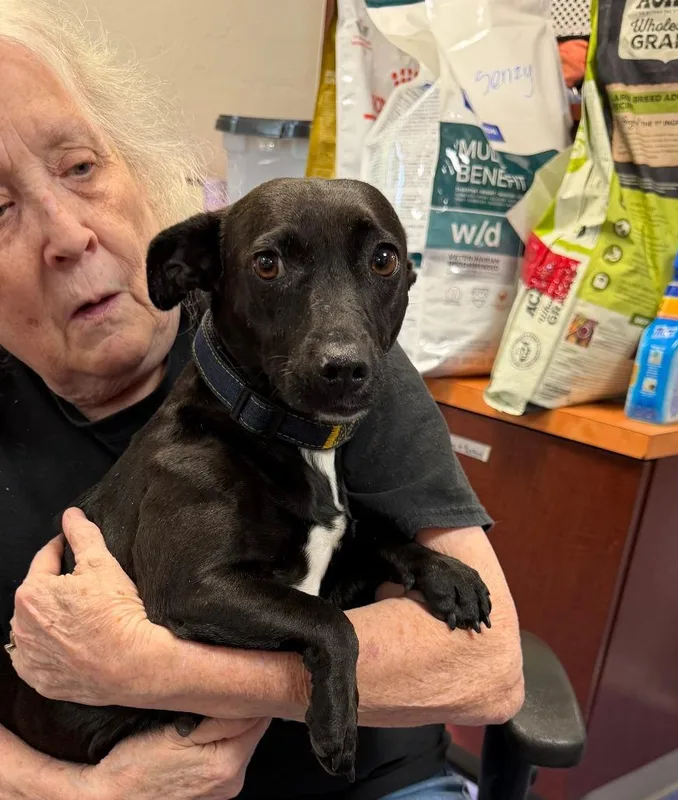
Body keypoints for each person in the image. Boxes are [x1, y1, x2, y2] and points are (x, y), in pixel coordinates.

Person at [0, 2, 524, 799]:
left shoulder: (332, 366)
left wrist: (154, 669)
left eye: (80, 166)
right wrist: (77, 792)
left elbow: (487, 670)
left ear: (138, 171)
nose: (68, 234)